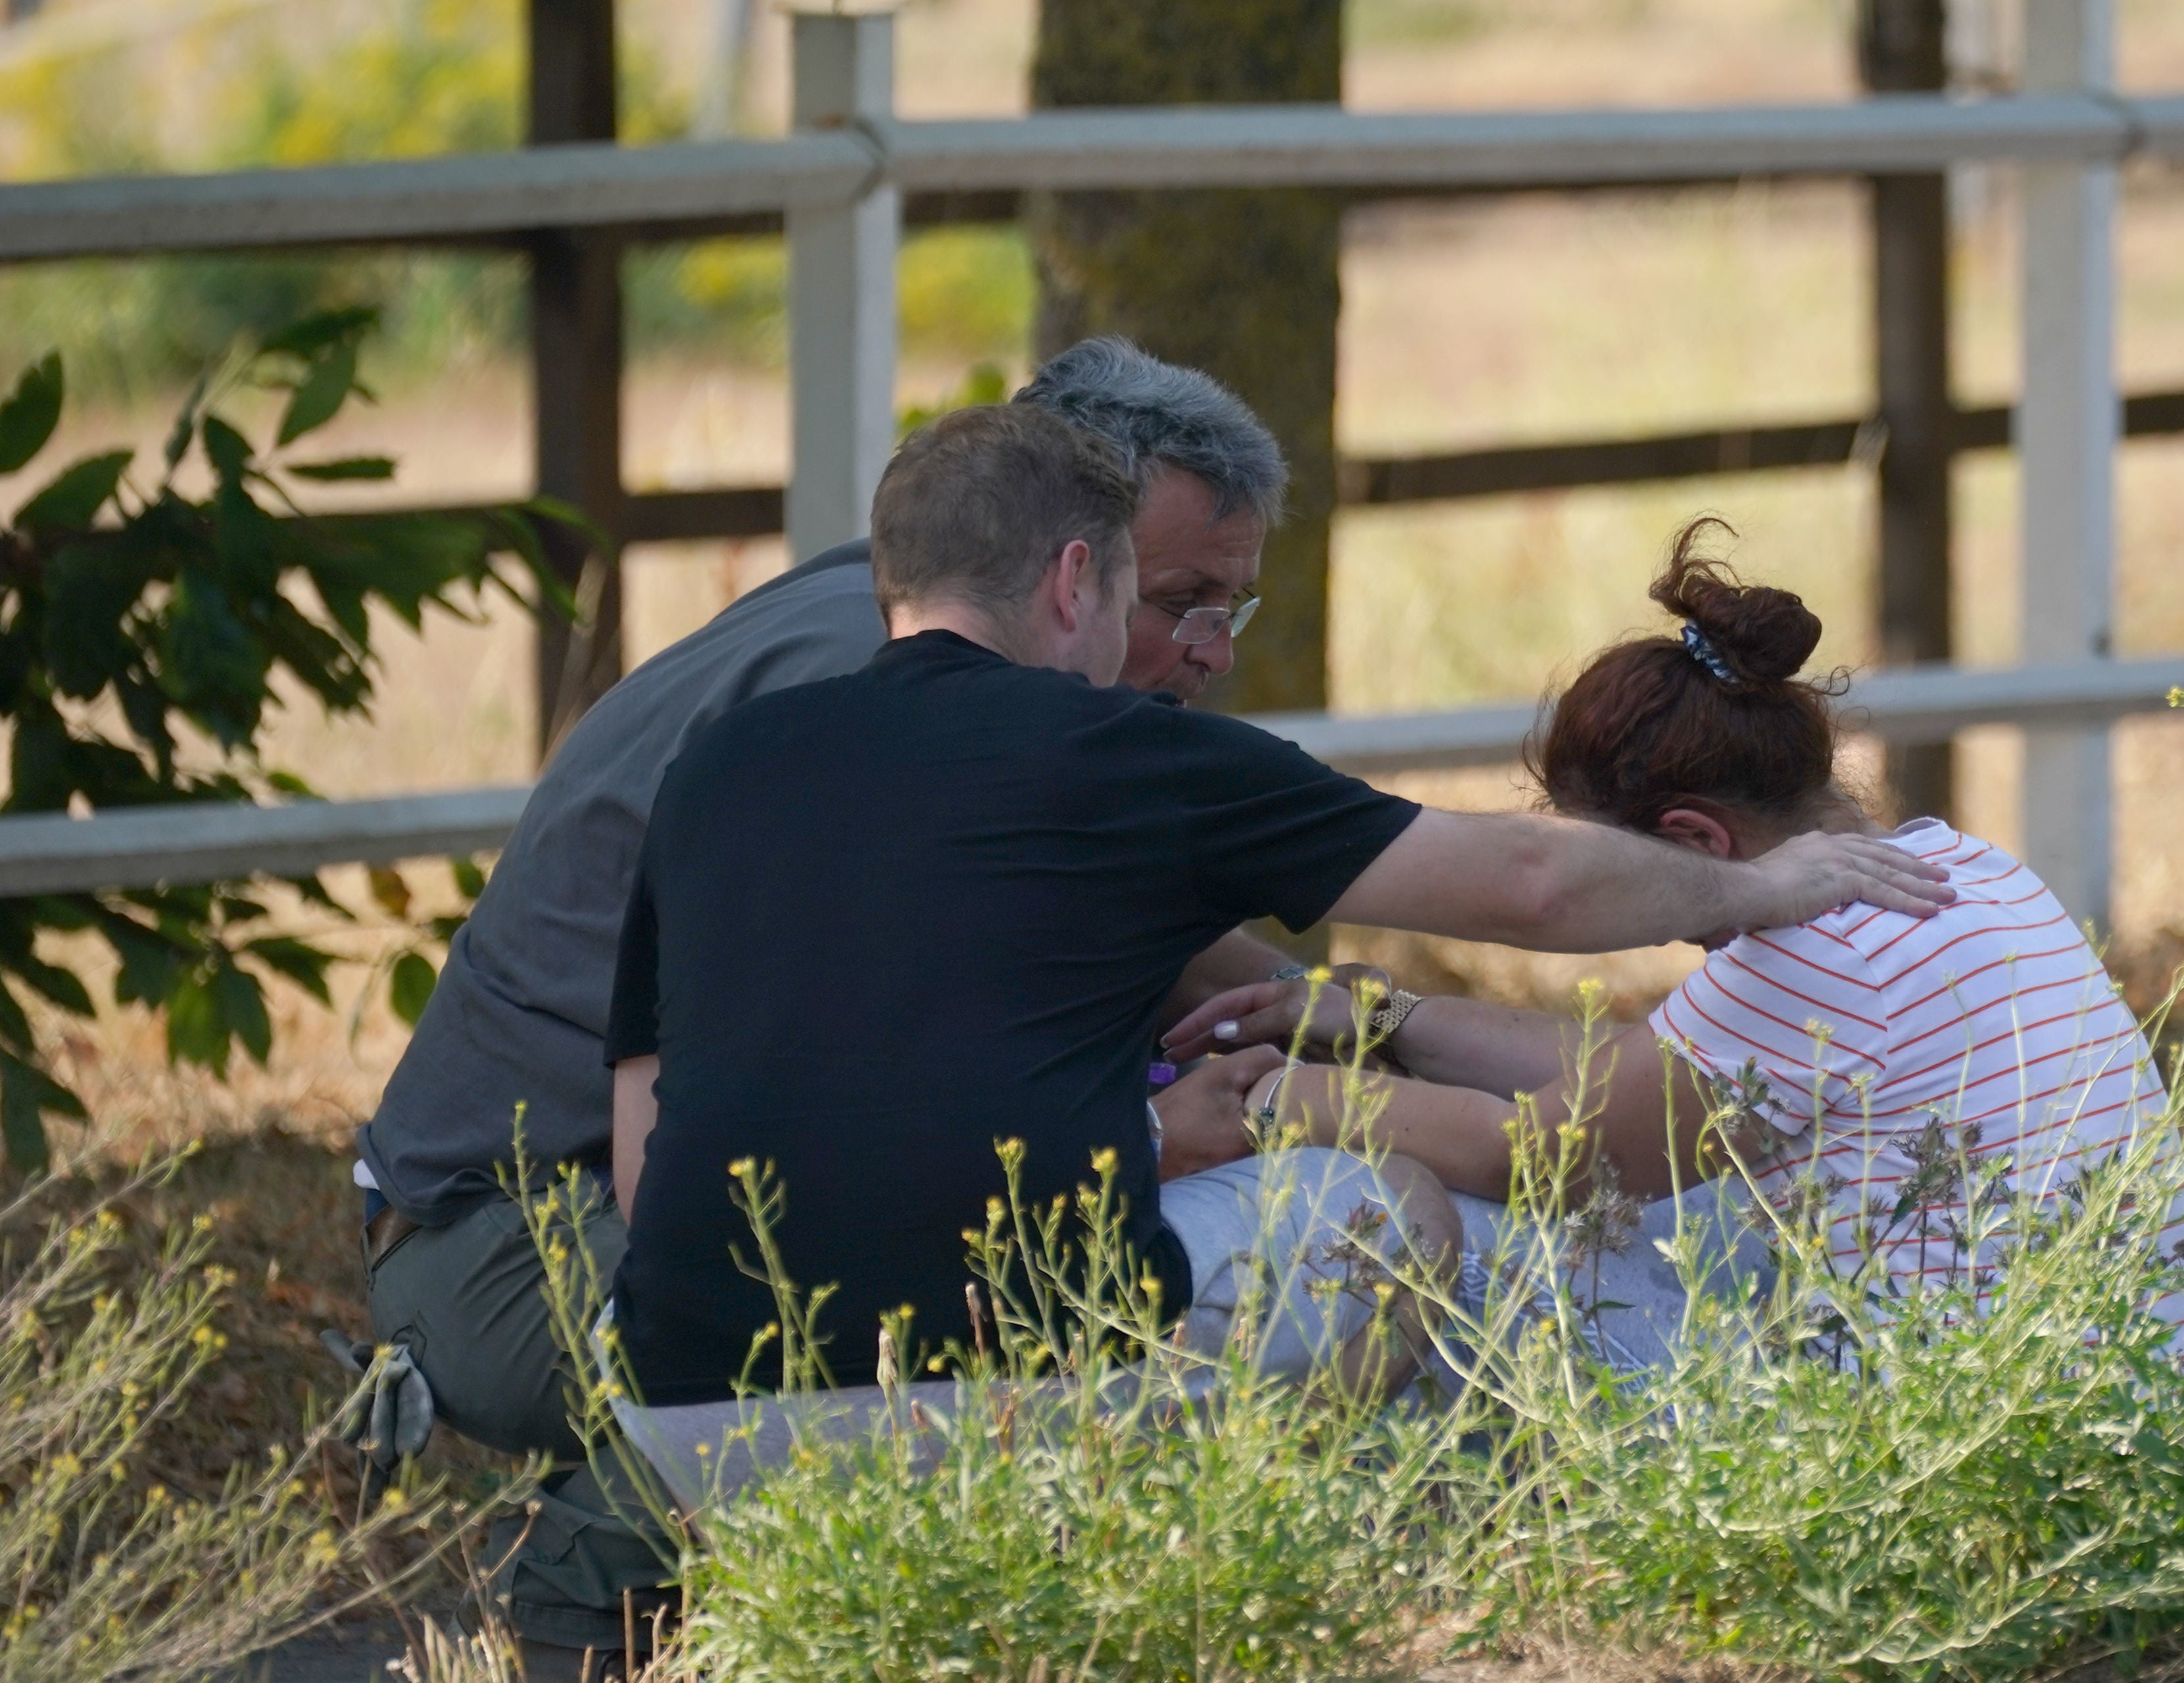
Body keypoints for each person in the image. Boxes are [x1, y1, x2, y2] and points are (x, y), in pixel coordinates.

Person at [605, 418, 1953, 1415]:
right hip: (997, 1378)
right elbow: (1528, 884)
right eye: (1145, 593)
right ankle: (1233, 1572)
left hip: (686, 1398)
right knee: (1392, 1214)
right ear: (1077, 581)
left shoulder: (720, 766)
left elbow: (644, 1131)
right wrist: (1760, 888)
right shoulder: (1122, 751)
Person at [354, 339, 1321, 1661]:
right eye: (1178, 596)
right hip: (502, 1229)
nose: (1208, 651)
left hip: (609, 1183)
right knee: (923, 1277)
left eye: (1235, 608)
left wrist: (1343, 1019)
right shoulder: (865, 698)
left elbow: (1141, 941)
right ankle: (590, 1580)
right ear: (1065, 553)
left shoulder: (911, 635)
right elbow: (896, 1113)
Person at [1162, 520, 2184, 1357]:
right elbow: (1643, 1079)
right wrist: (1388, 1014)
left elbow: (1529, 1155)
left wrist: (1279, 1100)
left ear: (1694, 842)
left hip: (1971, 1443)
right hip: (2119, 1412)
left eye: (1608, 874)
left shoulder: (1816, 956)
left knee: (1447, 1237)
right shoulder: (1962, 871)